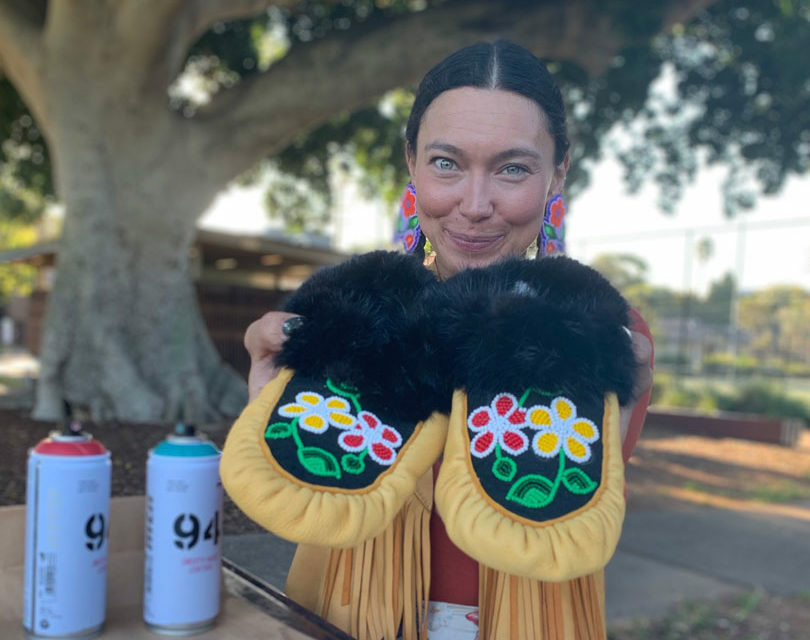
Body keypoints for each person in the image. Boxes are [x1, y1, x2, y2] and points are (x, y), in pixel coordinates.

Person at [241, 40, 653, 640]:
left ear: (558, 173)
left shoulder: (602, 335)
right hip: (344, 617)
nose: (475, 205)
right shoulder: (351, 314)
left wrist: (608, 423)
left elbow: (564, 513)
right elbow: (316, 498)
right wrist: (275, 414)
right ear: (411, 162)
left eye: (513, 168)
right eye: (446, 163)